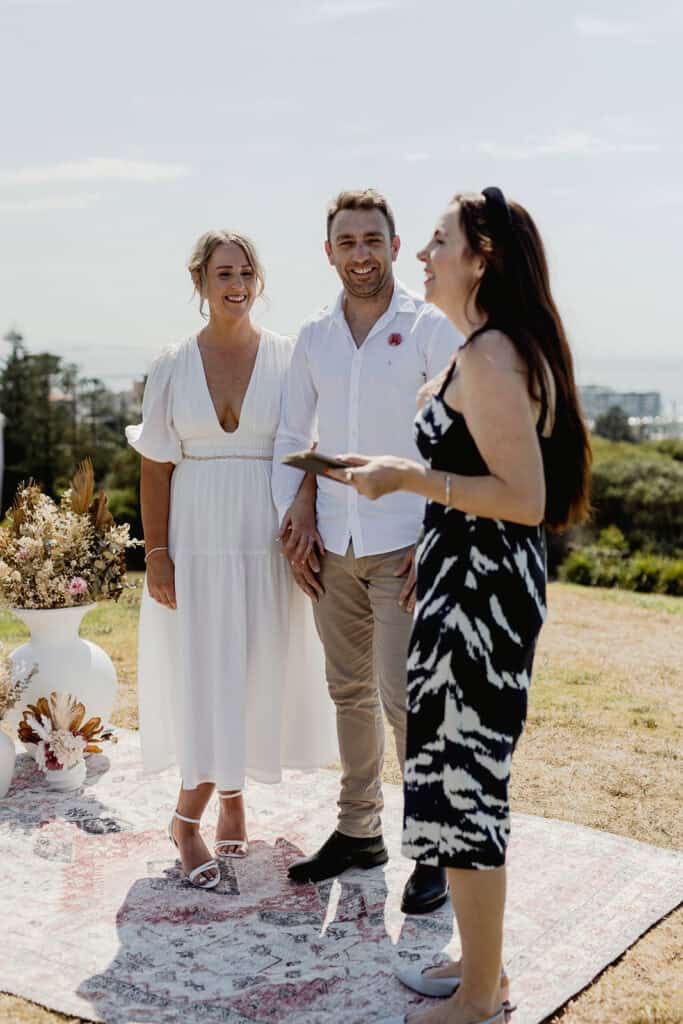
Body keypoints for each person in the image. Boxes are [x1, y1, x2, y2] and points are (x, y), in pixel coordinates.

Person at [334, 188, 591, 1024]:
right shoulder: (483, 348)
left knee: (465, 780)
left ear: (481, 257)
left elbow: (523, 497)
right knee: (450, 777)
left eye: (437, 240)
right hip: (464, 580)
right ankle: (482, 967)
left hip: (482, 596)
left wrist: (405, 477)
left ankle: (481, 996)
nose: (422, 254)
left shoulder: (489, 356)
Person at [126, 230, 336, 891]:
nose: (236, 283)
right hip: (193, 539)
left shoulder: (287, 357)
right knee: (204, 673)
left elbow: (310, 449)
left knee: (254, 668)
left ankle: (234, 796)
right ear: (201, 282)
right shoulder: (172, 362)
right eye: (223, 273)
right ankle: (187, 819)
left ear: (259, 280)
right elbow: (155, 467)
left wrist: (304, 519)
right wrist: (156, 555)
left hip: (263, 539)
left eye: (246, 271)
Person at [272, 189, 462, 914]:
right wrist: (298, 512)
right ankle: (359, 833)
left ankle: (433, 848)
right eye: (346, 241)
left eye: (372, 240)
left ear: (393, 244)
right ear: (328, 252)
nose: (360, 253)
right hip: (333, 545)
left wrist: (439, 533)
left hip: (404, 547)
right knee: (345, 694)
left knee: (404, 700)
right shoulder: (313, 336)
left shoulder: (428, 328)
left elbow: (465, 433)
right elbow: (295, 441)